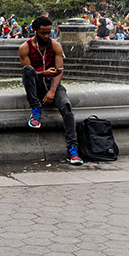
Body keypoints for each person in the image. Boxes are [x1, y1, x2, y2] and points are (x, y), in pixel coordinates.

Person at [19, 16, 83, 166]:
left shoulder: (55, 46)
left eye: (49, 32)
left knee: (66, 107)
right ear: (35, 31)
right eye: (43, 33)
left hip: (53, 83)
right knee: (28, 70)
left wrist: (53, 91)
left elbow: (59, 71)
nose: (46, 36)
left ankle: (72, 150)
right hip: (36, 84)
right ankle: (35, 109)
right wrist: (43, 73)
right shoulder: (25, 47)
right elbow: (28, 72)